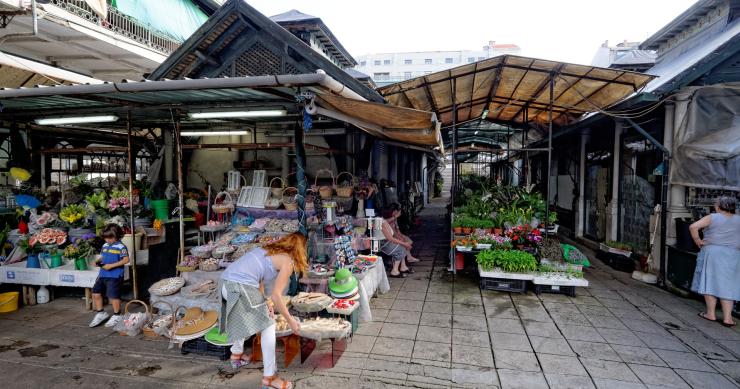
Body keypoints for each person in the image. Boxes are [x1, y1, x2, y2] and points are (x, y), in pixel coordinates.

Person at [219, 233, 307, 389]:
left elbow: (258, 281)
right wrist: (290, 320)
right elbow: (276, 295)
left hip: (226, 284)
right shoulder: (287, 261)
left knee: (245, 315)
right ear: (300, 250)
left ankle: (236, 355)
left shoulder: (266, 250)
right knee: (268, 325)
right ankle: (270, 379)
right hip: (240, 287)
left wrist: (264, 302)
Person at [690, 196, 740, 327]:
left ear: (718, 206)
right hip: (733, 254)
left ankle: (710, 314)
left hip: (713, 252)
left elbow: (693, 227)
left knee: (710, 281)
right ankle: (728, 318)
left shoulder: (713, 217)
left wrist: (698, 241)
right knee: (729, 284)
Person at [89, 224, 130, 328]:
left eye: (110, 237)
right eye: (106, 238)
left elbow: (126, 260)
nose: (108, 240)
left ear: (117, 235)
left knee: (113, 296)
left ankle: (117, 315)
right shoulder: (105, 245)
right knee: (96, 293)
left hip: (115, 276)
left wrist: (111, 266)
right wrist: (97, 261)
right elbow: (103, 256)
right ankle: (101, 313)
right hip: (103, 274)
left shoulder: (121, 247)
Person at [381, 204, 414, 278]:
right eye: (396, 211)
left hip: (386, 241)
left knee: (402, 246)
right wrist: (404, 243)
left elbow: (396, 232)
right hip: (383, 243)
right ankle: (394, 271)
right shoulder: (383, 221)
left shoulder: (388, 220)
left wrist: (403, 241)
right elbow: (390, 238)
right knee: (400, 249)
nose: (398, 213)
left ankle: (403, 267)